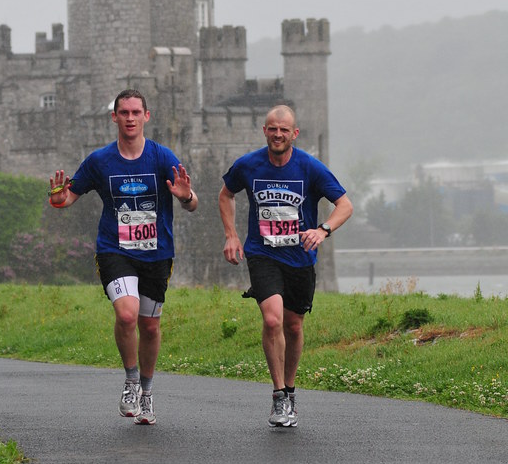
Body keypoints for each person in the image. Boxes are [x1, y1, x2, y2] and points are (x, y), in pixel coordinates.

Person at [48, 89, 198, 425]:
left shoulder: (161, 157)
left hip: (157, 253)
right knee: (127, 315)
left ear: (147, 116)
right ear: (114, 117)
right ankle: (130, 381)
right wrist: (56, 196)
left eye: (135, 112)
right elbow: (67, 198)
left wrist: (186, 196)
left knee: (150, 325)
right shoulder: (100, 161)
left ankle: (146, 392)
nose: (129, 118)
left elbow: (192, 202)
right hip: (115, 249)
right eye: (123, 113)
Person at [219, 105, 353, 429]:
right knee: (272, 318)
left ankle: (291, 389)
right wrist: (232, 235)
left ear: (294, 134)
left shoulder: (310, 167)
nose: (277, 135)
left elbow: (345, 205)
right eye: (272, 129)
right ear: (264, 131)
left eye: (284, 130)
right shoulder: (248, 165)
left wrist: (322, 230)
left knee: (293, 326)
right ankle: (278, 395)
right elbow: (226, 194)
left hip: (300, 258)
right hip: (263, 254)